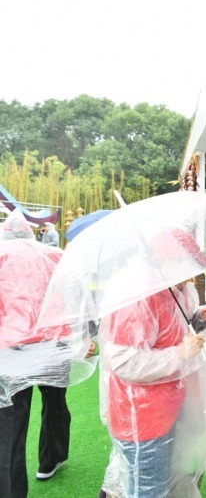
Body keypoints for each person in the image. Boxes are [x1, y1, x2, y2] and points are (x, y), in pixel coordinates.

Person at [99, 285, 206, 498]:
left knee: (162, 485)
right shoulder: (141, 297)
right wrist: (181, 353)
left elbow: (167, 334)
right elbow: (124, 362)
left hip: (167, 411)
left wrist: (197, 322)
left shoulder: (173, 290)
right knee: (148, 490)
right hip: (144, 420)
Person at [0, 212, 77, 497]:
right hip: (54, 344)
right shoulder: (54, 255)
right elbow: (77, 297)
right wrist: (86, 333)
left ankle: (10, 491)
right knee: (55, 403)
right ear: (31, 233)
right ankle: (50, 459)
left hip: (11, 349)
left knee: (9, 423)